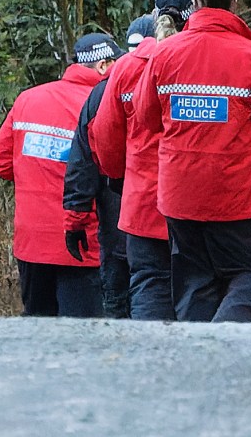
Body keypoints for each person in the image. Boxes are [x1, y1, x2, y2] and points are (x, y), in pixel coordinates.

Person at [133, 0, 251, 322]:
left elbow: (146, 118)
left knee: (194, 284)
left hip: (181, 195)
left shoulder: (166, 55)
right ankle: (222, 339)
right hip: (239, 198)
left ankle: (199, 363)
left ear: (195, 4)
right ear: (235, 3)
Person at [0, 33, 125, 317]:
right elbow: (113, 168)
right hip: (81, 244)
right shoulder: (103, 104)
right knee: (81, 340)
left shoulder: (28, 99)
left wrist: (35, 174)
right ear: (102, 66)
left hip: (31, 244)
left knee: (37, 333)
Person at [91, 0, 192, 320]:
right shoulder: (204, 62)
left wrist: (120, 178)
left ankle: (149, 366)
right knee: (197, 288)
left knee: (149, 283)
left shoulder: (128, 67)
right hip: (197, 203)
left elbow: (104, 134)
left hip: (143, 200)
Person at [62, 22, 143, 317]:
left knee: (118, 312)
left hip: (115, 230)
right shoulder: (173, 83)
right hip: (164, 231)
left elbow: (84, 164)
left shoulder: (99, 96)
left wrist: (75, 219)